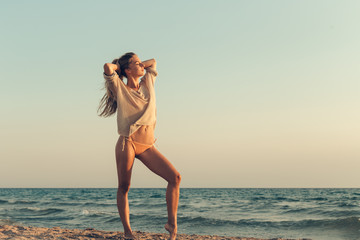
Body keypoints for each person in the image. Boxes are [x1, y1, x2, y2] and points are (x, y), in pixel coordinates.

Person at [98, 52, 181, 240]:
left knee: (175, 177)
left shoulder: (148, 82)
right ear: (127, 69)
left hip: (147, 145)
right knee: (124, 187)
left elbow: (153, 62)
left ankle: (171, 223)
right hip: (127, 143)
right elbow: (107, 67)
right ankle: (128, 232)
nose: (142, 65)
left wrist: (138, 65)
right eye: (136, 63)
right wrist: (121, 67)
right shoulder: (119, 87)